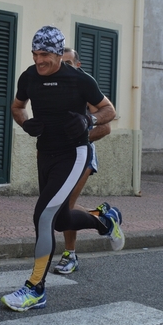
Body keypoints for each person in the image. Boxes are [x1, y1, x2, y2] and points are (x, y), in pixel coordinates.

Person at [1, 26, 124, 312]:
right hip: (45, 152)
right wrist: (24, 122)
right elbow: (17, 107)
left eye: (44, 54)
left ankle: (35, 289)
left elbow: (109, 111)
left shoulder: (79, 80)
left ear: (58, 54)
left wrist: (88, 122)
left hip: (74, 153)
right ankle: (105, 220)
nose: (38, 59)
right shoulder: (28, 77)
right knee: (59, 220)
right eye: (34, 53)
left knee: (43, 216)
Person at [52, 47, 112, 275]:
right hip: (59, 155)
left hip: (83, 154)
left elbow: (106, 126)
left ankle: (70, 255)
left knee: (65, 207)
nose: (65, 68)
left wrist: (78, 136)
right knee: (58, 206)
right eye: (61, 63)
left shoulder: (84, 90)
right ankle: (102, 216)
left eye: (69, 63)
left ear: (78, 65)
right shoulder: (53, 90)